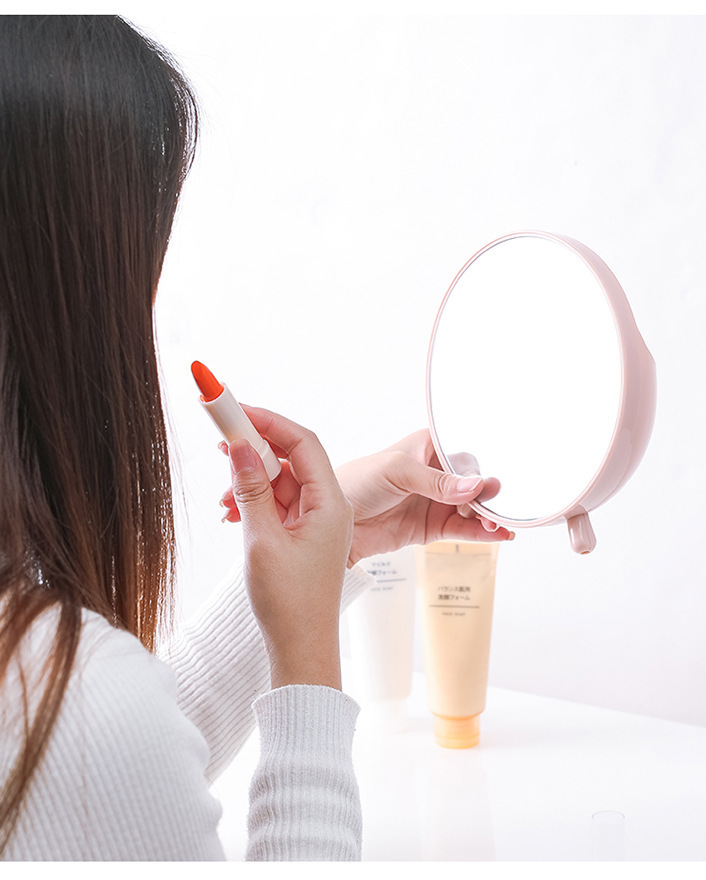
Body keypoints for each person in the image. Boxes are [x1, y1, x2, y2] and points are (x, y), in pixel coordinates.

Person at [0, 15, 512, 861]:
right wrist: (307, 662)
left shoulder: (66, 708)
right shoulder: (78, 718)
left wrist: (341, 543)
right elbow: (100, 753)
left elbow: (106, 795)